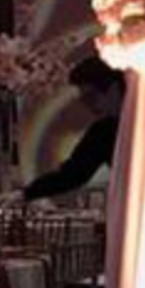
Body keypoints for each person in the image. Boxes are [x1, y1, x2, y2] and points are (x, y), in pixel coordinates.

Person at [21, 55, 124, 202]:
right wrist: (25, 194)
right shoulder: (103, 131)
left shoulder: (110, 129)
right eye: (84, 99)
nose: (88, 105)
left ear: (114, 88)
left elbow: (73, 175)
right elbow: (74, 174)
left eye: (91, 96)